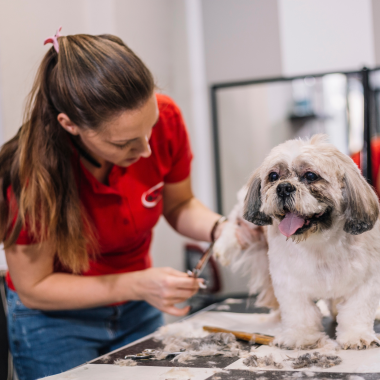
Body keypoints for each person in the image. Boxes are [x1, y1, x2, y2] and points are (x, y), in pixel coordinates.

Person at [0, 30, 229, 380]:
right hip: (56, 323)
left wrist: (220, 228)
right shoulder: (31, 173)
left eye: (149, 129)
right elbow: (34, 288)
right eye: (124, 143)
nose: (147, 150)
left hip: (139, 307)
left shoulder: (164, 118)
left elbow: (179, 204)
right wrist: (138, 284)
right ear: (71, 125)